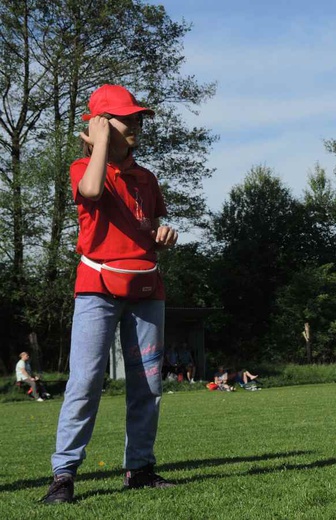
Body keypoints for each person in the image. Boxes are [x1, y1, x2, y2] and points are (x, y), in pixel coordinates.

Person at [42, 85, 178, 504]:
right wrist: (99, 141)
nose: (136, 123)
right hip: (97, 289)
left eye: (137, 117)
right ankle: (64, 476)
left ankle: (139, 468)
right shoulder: (83, 167)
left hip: (146, 288)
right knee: (84, 383)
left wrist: (162, 233)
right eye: (126, 118)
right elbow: (92, 192)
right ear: (101, 124)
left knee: (148, 386)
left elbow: (148, 224)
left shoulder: (147, 178)